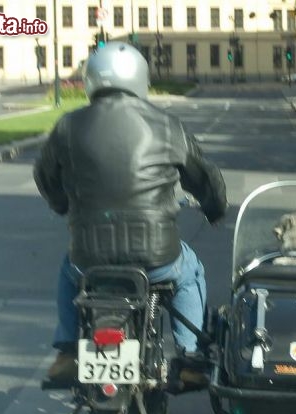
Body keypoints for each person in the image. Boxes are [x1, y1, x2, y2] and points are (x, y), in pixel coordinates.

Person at [33, 42, 227, 386]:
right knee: (190, 271)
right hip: (157, 256)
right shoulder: (168, 125)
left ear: (91, 79)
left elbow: (45, 175)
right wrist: (213, 209)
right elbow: (204, 176)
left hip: (89, 256)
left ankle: (66, 351)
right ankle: (190, 357)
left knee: (69, 270)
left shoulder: (68, 125)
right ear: (140, 78)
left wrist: (61, 204)